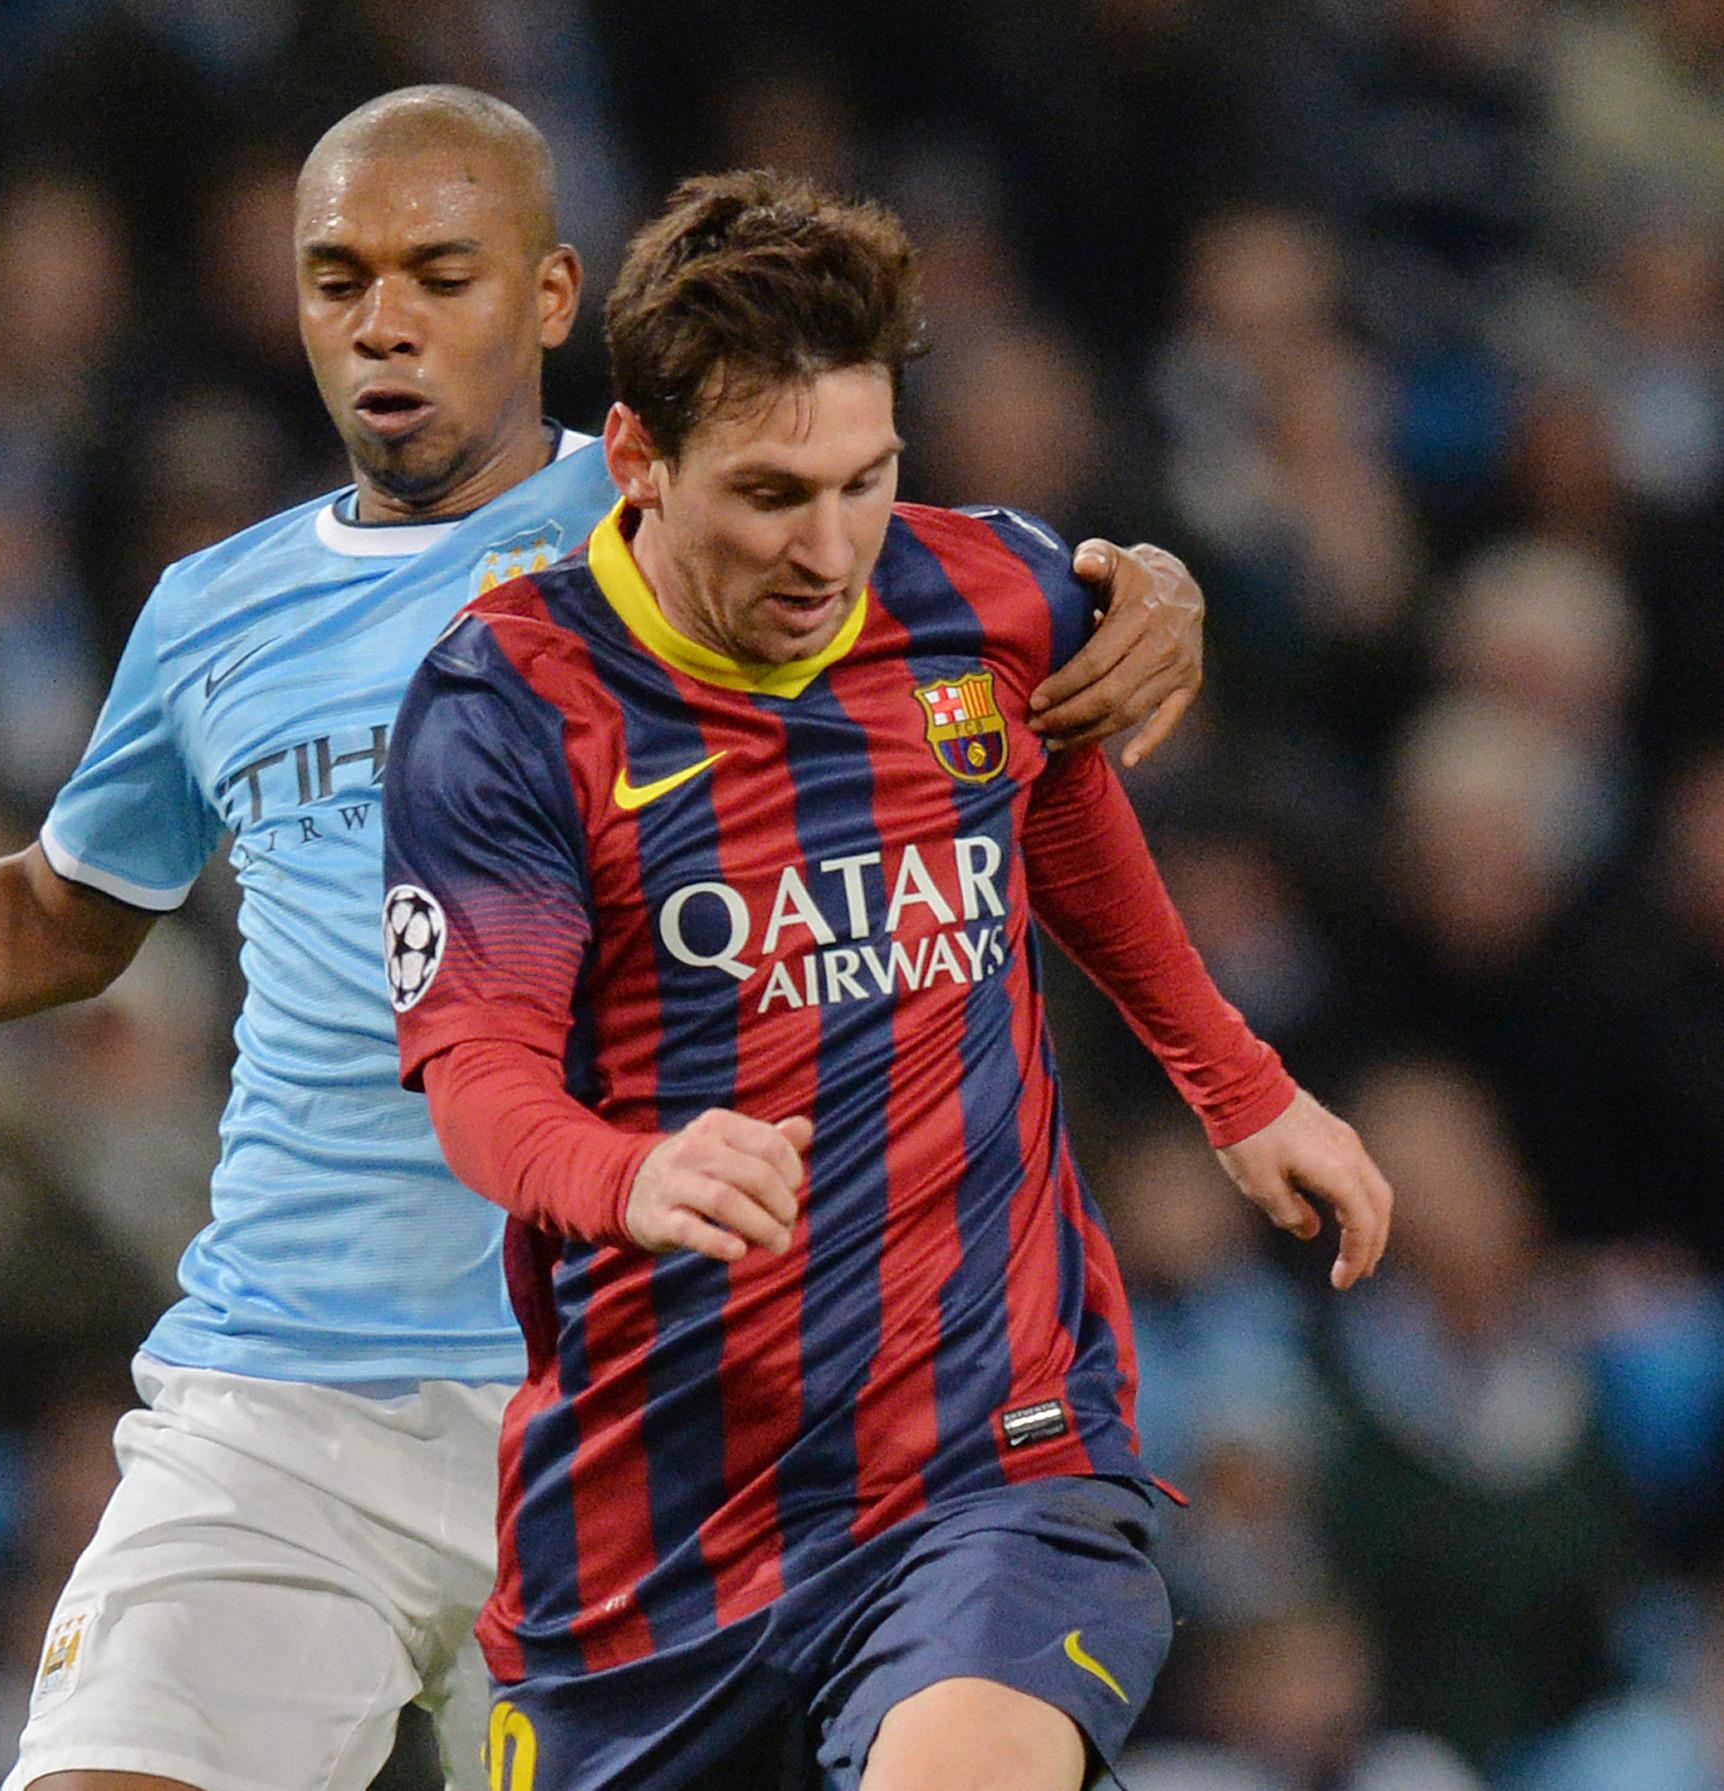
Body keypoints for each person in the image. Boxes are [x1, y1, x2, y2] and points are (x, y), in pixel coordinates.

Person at [0, 92, 1209, 1791]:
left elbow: (983, 600)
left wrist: (1141, 583)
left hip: (647, 1409)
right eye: (339, 279)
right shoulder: (217, 610)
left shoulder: (700, 521)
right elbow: (67, 910)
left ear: (552, 295)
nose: (385, 326)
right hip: (290, 1386)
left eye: (442, 276)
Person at [381, 168, 1392, 1791]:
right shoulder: (513, 706)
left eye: (869, 480)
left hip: (991, 1454)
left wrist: (1237, 1083)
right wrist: (626, 1172)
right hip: (653, 1526)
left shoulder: (978, 593)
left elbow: (1058, 805)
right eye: (775, 494)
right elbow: (480, 1073)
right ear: (636, 458)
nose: (832, 546)